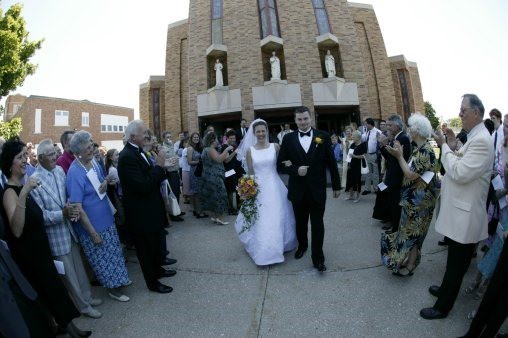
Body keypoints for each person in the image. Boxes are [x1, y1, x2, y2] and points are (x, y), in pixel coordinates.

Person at [1, 139, 91, 337]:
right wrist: (24, 193)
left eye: (26, 155)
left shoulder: (24, 185)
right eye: (20, 157)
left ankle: (63, 327)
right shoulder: (10, 192)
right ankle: (70, 331)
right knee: (51, 293)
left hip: (41, 251)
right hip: (30, 257)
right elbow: (16, 229)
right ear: (9, 163)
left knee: (54, 292)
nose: (25, 160)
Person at [420, 94, 494, 320]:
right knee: (454, 260)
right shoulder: (476, 136)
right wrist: (454, 145)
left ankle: (443, 307)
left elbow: (461, 172)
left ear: (476, 113)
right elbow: (464, 159)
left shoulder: (481, 139)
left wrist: (445, 147)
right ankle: (444, 290)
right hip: (462, 212)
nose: (460, 114)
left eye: (463, 110)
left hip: (466, 214)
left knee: (456, 264)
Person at [31, 139, 103, 319]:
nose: (56, 156)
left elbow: (68, 196)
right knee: (69, 276)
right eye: (50, 155)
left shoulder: (60, 170)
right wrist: (62, 213)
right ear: (40, 158)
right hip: (56, 236)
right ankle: (83, 307)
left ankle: (87, 298)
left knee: (78, 268)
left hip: (70, 230)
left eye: (55, 153)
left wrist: (70, 207)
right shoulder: (34, 181)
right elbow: (41, 216)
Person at [66, 131, 131, 302]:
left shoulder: (93, 161)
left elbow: (101, 181)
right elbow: (77, 207)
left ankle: (120, 281)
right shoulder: (74, 172)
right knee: (103, 260)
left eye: (91, 145)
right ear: (78, 151)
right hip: (93, 227)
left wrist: (105, 182)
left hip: (106, 219)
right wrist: (93, 233)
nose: (91, 149)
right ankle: (113, 289)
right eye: (87, 147)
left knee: (114, 254)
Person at [277, 106, 341, 272]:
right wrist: (295, 170)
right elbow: (280, 164)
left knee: (318, 224)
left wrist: (336, 185)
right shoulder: (288, 139)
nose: (303, 122)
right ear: (295, 120)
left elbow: (331, 163)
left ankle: (318, 258)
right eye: (299, 119)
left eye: (305, 119)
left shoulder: (323, 136)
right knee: (300, 223)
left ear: (310, 118)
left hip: (317, 189)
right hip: (297, 190)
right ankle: (302, 246)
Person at [118, 120, 176, 294]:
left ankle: (158, 270)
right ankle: (153, 283)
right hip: (141, 215)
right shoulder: (127, 156)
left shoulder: (139, 152)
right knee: (146, 251)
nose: (148, 136)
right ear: (133, 136)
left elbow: (151, 177)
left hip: (151, 209)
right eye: (144, 133)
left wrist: (161, 167)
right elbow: (143, 185)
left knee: (156, 245)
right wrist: (159, 165)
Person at [381, 114, 438, 276]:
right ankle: (408, 261)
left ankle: (410, 264)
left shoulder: (425, 151)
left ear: (418, 131)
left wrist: (399, 156)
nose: (409, 129)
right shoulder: (420, 149)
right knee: (411, 233)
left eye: (411, 127)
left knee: (413, 233)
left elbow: (410, 174)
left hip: (419, 202)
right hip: (413, 199)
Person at [235, 119, 297, 265]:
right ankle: (265, 251)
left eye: (263, 131)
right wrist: (247, 188)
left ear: (267, 131)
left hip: (275, 187)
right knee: (262, 219)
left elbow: (284, 162)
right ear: (254, 133)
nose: (261, 134)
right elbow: (250, 172)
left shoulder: (275, 146)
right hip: (259, 189)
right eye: (258, 131)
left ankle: (280, 245)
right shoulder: (250, 150)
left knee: (278, 216)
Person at [374, 114, 412, 233]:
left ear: (397, 125)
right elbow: (389, 158)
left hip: (397, 177)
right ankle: (394, 226)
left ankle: (396, 229)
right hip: (392, 176)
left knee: (396, 204)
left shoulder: (403, 138)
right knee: (392, 203)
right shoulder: (396, 138)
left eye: (390, 125)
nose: (387, 128)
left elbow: (400, 159)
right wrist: (383, 145)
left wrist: (385, 145)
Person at [199, 132, 233, 225]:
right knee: (220, 196)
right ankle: (220, 218)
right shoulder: (210, 149)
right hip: (214, 177)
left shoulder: (205, 149)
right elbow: (219, 159)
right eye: (217, 139)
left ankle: (214, 217)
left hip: (208, 176)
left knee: (212, 197)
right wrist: (227, 150)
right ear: (212, 140)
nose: (218, 141)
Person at [161, 131, 184, 222]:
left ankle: (177, 211)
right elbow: (164, 161)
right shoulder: (163, 148)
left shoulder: (171, 146)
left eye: (170, 136)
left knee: (177, 192)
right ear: (163, 138)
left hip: (175, 171)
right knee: (173, 193)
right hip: (170, 173)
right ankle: (173, 215)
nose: (169, 138)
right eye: (167, 137)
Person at [222, 130, 244, 215]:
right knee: (231, 190)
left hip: (235, 171)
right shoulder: (225, 147)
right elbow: (226, 160)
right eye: (230, 138)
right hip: (228, 172)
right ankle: (231, 209)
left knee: (235, 189)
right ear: (227, 138)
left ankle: (236, 207)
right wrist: (235, 152)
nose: (232, 140)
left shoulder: (233, 145)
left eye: (233, 138)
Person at [185, 132, 207, 218]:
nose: (196, 139)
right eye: (194, 137)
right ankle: (199, 212)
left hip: (199, 170)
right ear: (191, 138)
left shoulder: (198, 148)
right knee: (196, 192)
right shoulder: (190, 148)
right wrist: (200, 162)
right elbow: (189, 162)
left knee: (197, 191)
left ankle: (196, 210)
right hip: (194, 171)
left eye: (197, 137)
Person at [345, 131, 366, 202]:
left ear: (358, 137)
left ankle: (358, 196)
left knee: (357, 181)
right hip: (351, 165)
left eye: (354, 136)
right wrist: (348, 164)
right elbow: (349, 155)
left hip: (358, 166)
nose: (352, 137)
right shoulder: (353, 144)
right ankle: (351, 195)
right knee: (350, 180)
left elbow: (364, 156)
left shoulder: (363, 145)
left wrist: (355, 156)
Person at [361, 118, 380, 195]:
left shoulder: (377, 132)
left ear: (369, 124)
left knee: (375, 173)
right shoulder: (367, 132)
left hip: (374, 154)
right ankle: (367, 188)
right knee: (368, 172)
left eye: (366, 124)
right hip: (367, 154)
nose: (365, 125)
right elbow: (363, 139)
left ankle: (376, 188)